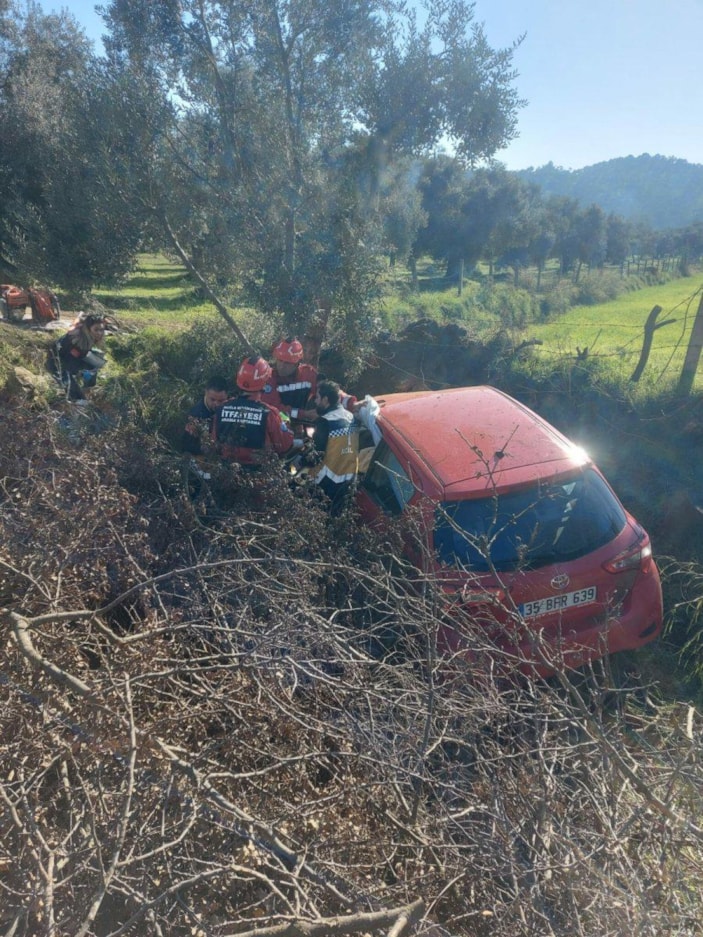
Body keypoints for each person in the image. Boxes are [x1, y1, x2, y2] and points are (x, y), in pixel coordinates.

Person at [212, 355, 296, 467]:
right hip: (260, 478)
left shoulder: (221, 409)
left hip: (225, 474)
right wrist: (286, 423)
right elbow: (285, 446)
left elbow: (213, 443)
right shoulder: (270, 414)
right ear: (265, 382)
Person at [310, 379, 360, 515]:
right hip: (349, 483)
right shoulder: (352, 417)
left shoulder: (325, 421)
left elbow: (314, 457)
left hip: (326, 483)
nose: (315, 402)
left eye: (318, 398)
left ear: (326, 400)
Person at [260, 337, 319, 429]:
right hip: (275, 428)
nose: (282, 366)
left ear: (297, 363)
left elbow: (326, 391)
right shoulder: (268, 378)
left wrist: (348, 401)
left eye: (287, 363)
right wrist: (304, 414)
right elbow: (275, 409)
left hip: (302, 427)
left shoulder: (308, 373)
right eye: (280, 360)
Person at [47, 314, 107, 401]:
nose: (99, 333)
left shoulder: (88, 338)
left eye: (101, 330)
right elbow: (68, 362)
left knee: (93, 367)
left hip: (72, 360)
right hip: (58, 365)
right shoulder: (76, 340)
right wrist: (80, 373)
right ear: (88, 329)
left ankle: (87, 391)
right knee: (78, 399)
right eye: (96, 330)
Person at [181, 375, 230, 456]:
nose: (216, 404)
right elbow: (187, 447)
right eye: (212, 399)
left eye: (221, 400)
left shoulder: (231, 407)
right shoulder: (196, 415)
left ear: (227, 396)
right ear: (206, 393)